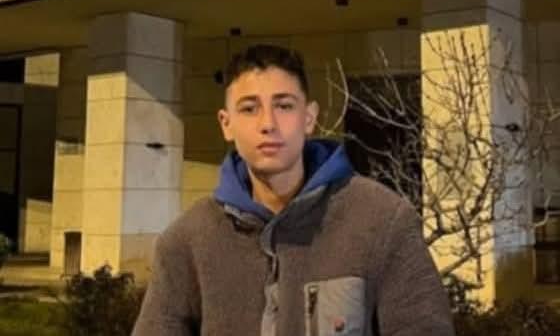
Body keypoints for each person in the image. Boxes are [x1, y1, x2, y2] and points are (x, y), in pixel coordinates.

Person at [132, 44, 454, 336]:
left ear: (309, 118)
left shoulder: (382, 220)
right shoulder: (187, 241)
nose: (268, 124)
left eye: (284, 106)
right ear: (226, 124)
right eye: (249, 108)